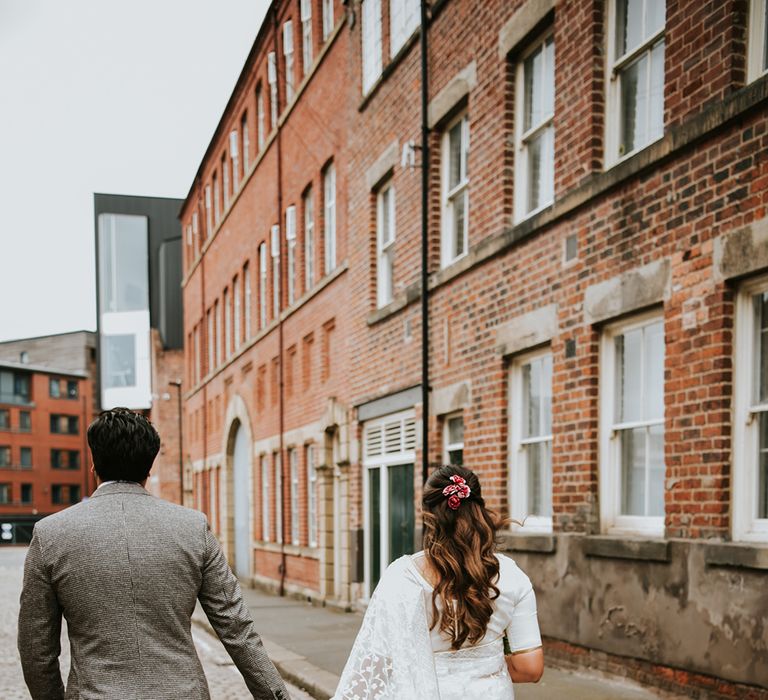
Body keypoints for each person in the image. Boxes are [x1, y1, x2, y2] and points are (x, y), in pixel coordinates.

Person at [17, 407, 290, 700]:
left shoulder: (51, 533)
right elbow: (236, 627)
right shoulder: (192, 527)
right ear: (150, 468)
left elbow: (36, 648)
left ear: (93, 465)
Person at [334, 465, 544, 699]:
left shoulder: (403, 577)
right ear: (479, 507)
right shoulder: (512, 575)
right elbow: (530, 668)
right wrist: (486, 665)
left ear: (428, 514)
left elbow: (374, 666)